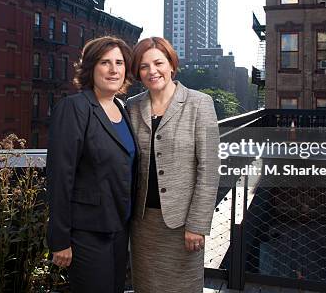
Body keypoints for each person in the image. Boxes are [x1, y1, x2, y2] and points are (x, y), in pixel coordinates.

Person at [127, 37, 220, 292]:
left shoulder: (200, 103)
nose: (152, 71)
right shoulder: (132, 106)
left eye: (158, 62)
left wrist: (197, 225)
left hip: (182, 225)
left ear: (171, 65)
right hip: (143, 223)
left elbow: (209, 169)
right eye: (144, 66)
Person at [46, 36, 138, 293]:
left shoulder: (123, 109)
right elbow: (59, 177)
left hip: (120, 228)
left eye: (119, 63)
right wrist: (60, 239)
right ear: (90, 68)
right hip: (87, 232)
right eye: (104, 62)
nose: (113, 69)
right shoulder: (74, 107)